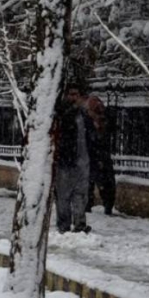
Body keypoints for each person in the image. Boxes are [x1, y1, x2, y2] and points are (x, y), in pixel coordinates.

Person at [55, 85, 97, 233]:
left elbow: (92, 138)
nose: (74, 98)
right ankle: (64, 226)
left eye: (76, 94)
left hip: (83, 162)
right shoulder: (61, 113)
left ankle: (80, 224)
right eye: (71, 94)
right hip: (66, 163)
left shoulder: (84, 116)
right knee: (64, 196)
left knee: (80, 195)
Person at [86, 95, 117, 216]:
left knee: (106, 183)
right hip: (91, 157)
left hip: (101, 157)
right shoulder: (87, 122)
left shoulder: (105, 121)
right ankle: (88, 205)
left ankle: (107, 205)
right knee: (90, 183)